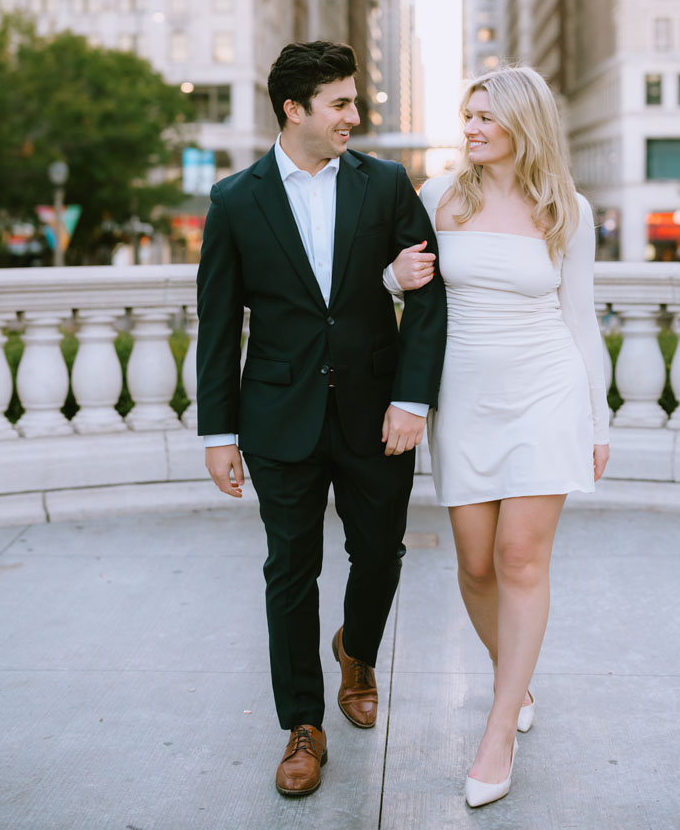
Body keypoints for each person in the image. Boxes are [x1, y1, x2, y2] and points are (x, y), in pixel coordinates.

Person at [196, 41, 447, 798]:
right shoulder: (235, 201)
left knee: (380, 557)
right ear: (293, 108)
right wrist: (218, 434)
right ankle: (302, 724)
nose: (354, 116)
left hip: (378, 415)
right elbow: (216, 324)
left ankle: (356, 648)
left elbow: (429, 294)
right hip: (279, 416)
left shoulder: (385, 184)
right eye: (339, 102)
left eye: (353, 101)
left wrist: (412, 400)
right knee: (289, 572)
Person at [387, 64, 610, 809]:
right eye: (467, 116)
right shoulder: (438, 197)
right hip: (465, 396)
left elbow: (582, 324)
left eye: (486, 117)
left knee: (520, 557)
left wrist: (597, 420)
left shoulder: (566, 210)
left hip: (545, 392)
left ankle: (497, 726)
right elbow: (400, 285)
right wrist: (395, 279)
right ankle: (517, 678)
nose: (472, 129)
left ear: (524, 123)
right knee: (476, 564)